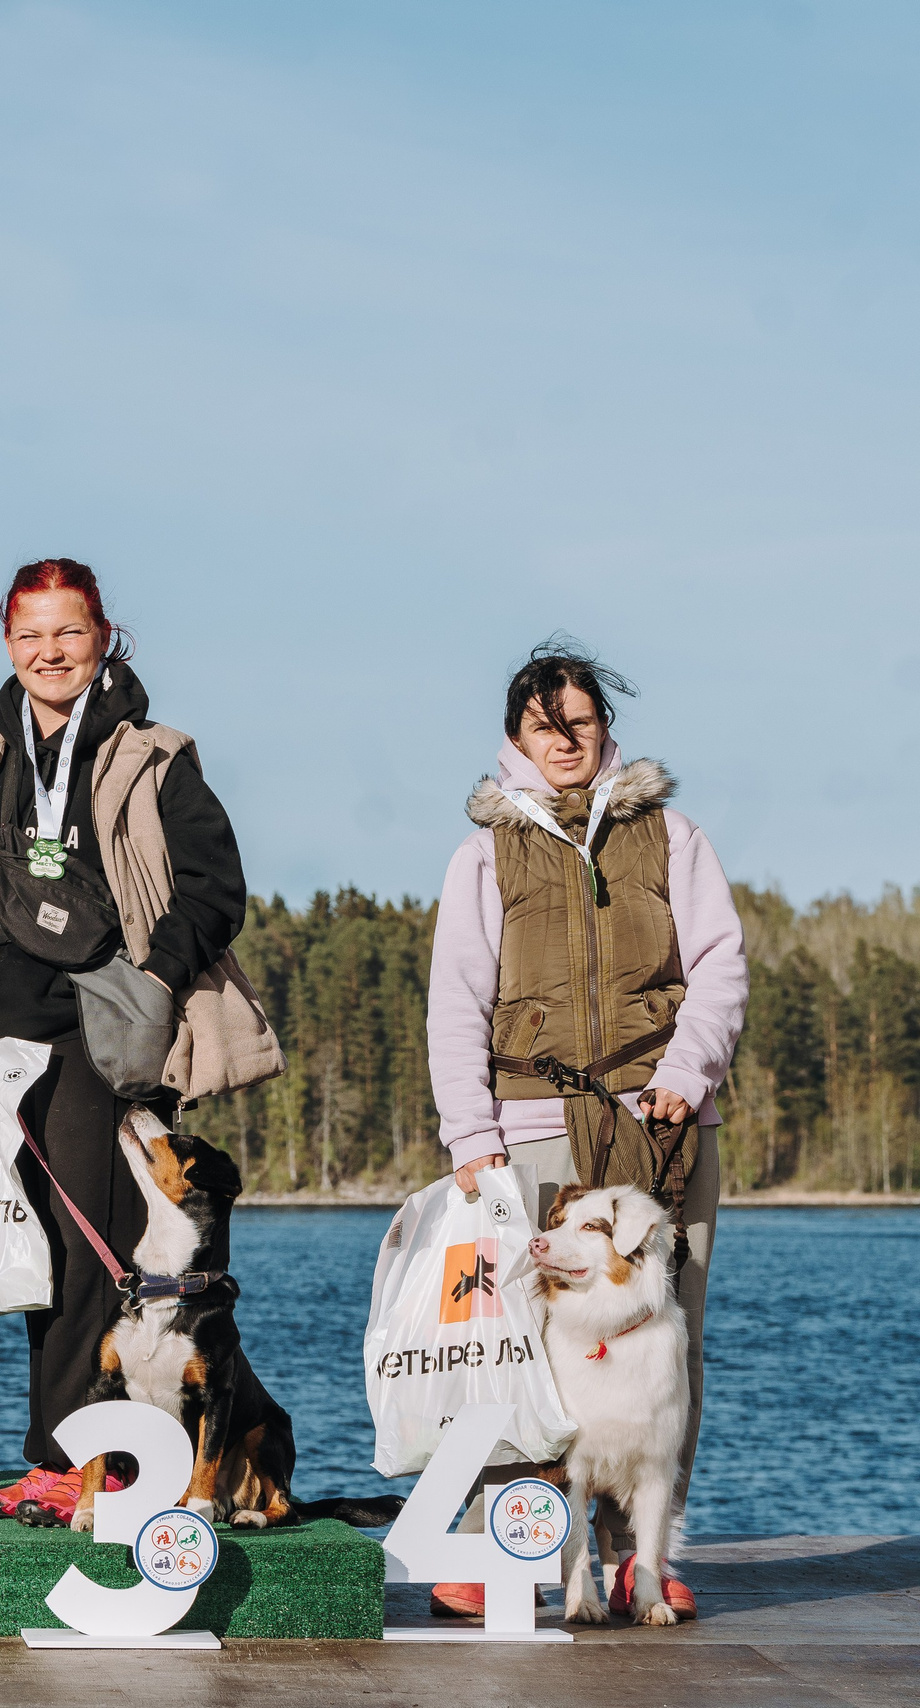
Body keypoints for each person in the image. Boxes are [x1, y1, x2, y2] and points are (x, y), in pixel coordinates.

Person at [0, 559, 278, 1527]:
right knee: (22, 1257)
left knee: (88, 1254)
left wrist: (153, 978)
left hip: (103, 1046)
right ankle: (102, 1454)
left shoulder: (153, 753)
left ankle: (78, 1462)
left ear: (102, 635)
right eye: (30, 636)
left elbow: (213, 886)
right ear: (6, 644)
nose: (49, 653)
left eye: (67, 633)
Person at [424, 640, 744, 1622]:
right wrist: (468, 1133)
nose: (563, 740)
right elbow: (455, 996)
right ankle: (501, 1550)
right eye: (541, 724)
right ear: (514, 736)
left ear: (606, 726)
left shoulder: (671, 835)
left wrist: (685, 1078)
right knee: (516, 1344)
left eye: (579, 720)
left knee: (664, 1342)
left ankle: (644, 1556)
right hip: (527, 1126)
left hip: (663, 1122)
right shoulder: (483, 850)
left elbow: (720, 965)